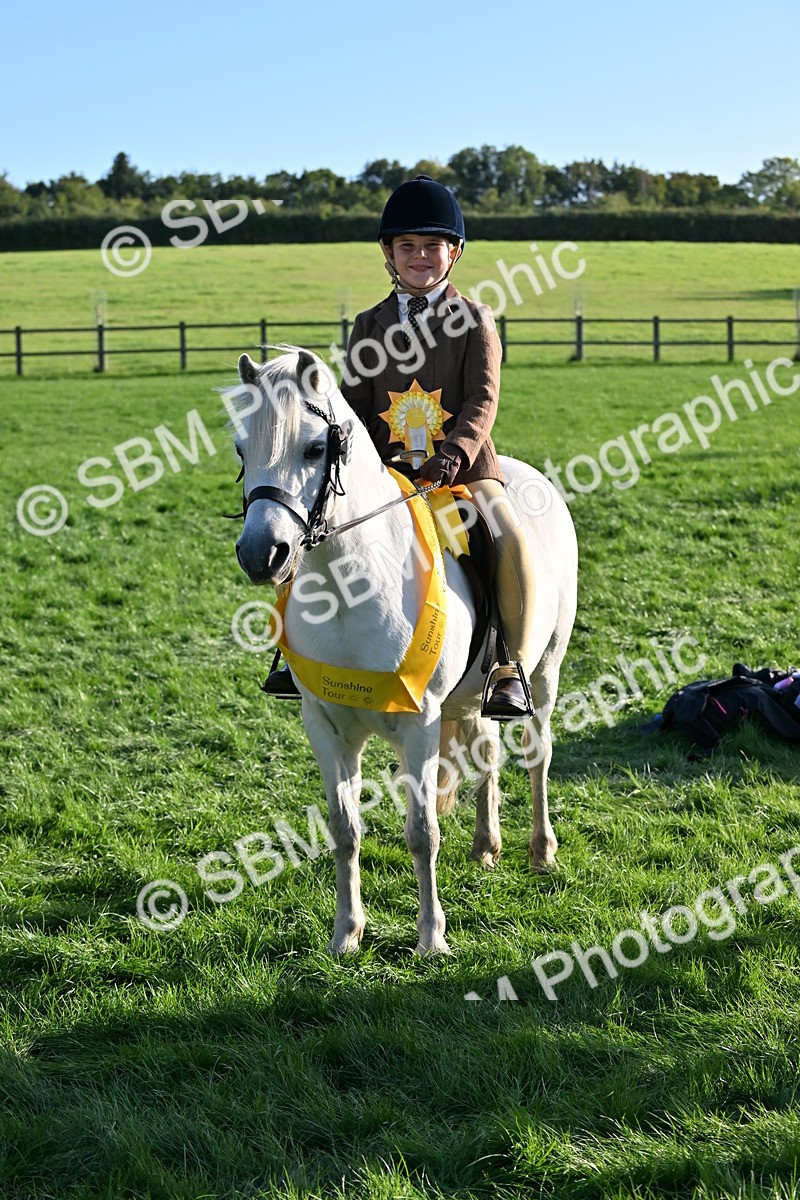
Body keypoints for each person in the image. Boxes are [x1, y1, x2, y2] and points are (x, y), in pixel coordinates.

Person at [265, 175, 536, 718]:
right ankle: (290, 653)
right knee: (314, 526)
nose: (420, 257)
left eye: (432, 246)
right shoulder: (369, 324)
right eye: (407, 247)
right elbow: (356, 407)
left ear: (453, 252)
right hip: (386, 473)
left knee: (504, 531)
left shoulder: (476, 320)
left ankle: (510, 666)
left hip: (460, 468)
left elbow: (483, 400)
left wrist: (453, 455)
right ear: (388, 254)